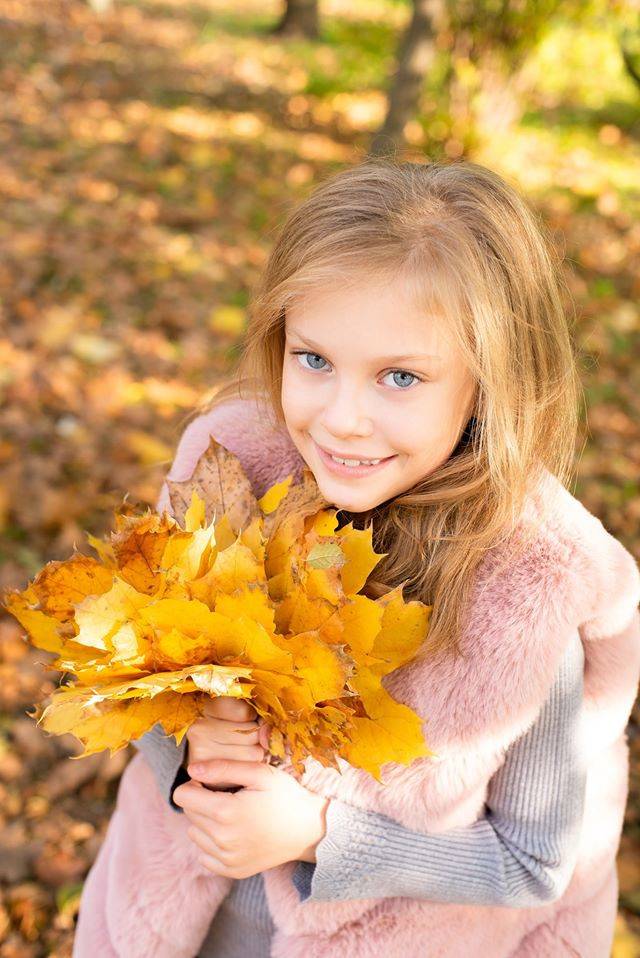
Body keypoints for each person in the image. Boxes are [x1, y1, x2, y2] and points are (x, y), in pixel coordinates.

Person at [72, 158, 640, 958]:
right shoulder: (232, 470)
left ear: (492, 382)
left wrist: (320, 834)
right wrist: (190, 737)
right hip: (170, 928)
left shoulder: (532, 591)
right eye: (313, 360)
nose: (343, 419)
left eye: (399, 377)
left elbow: (534, 864)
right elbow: (136, 685)